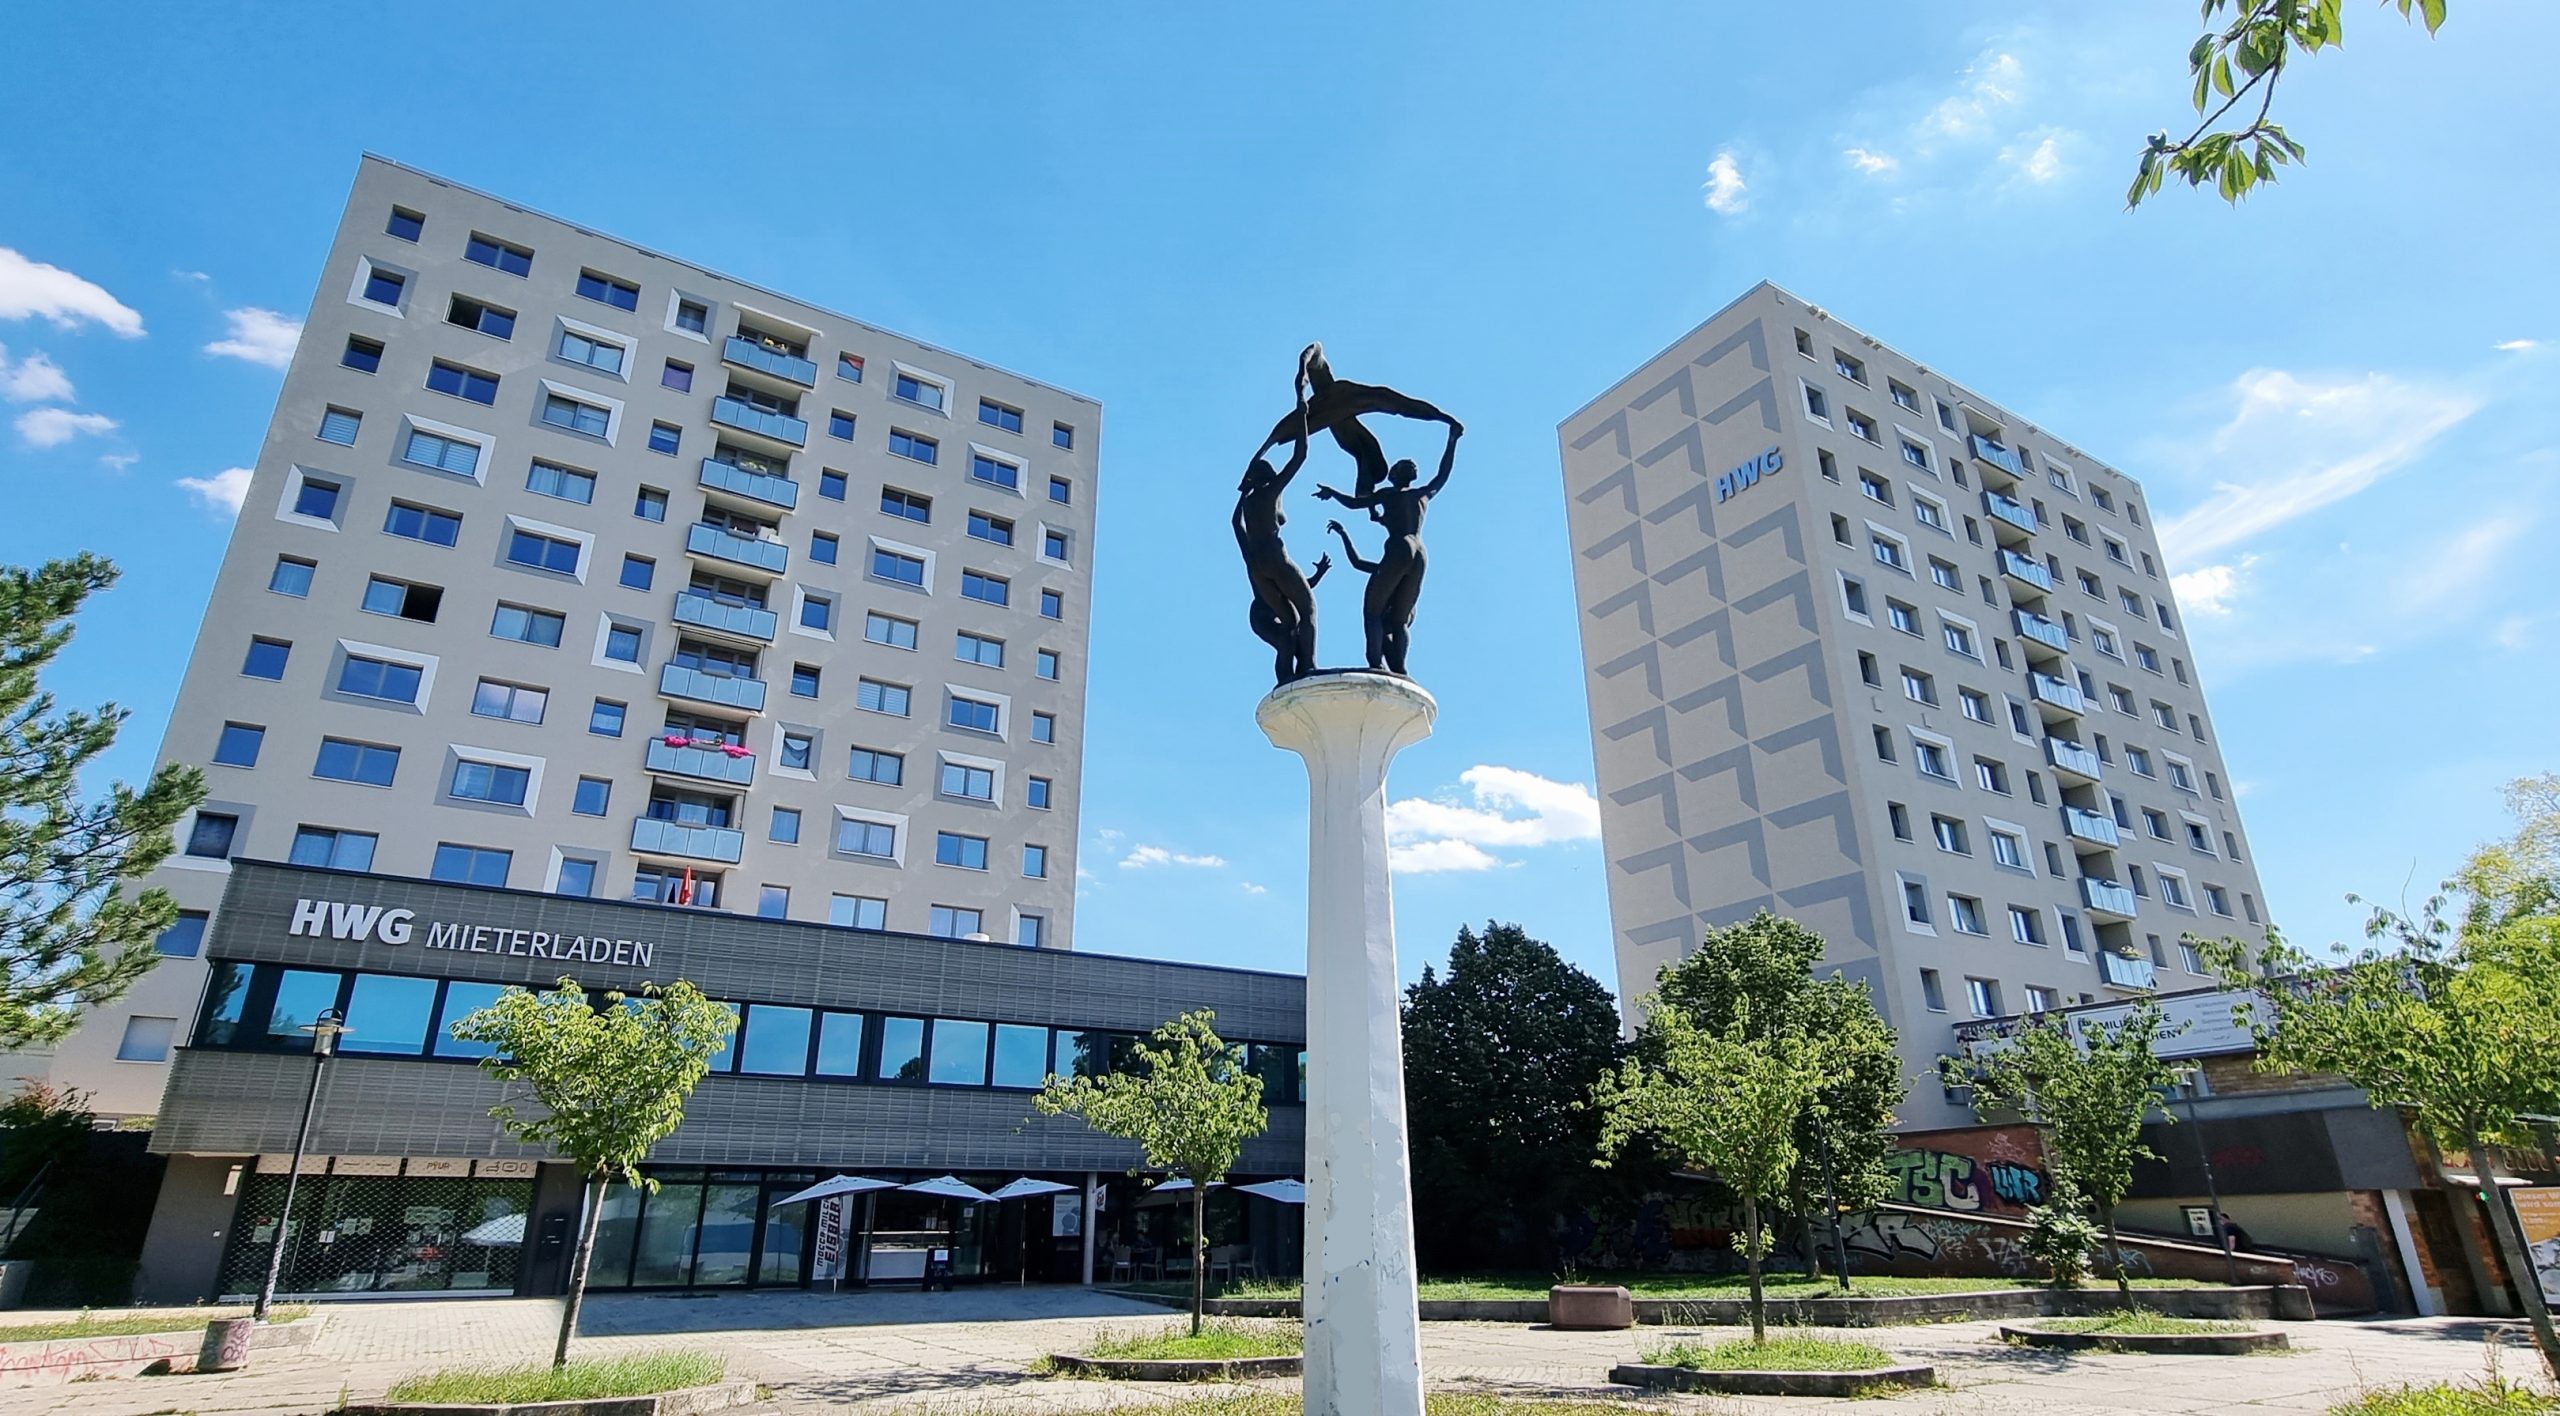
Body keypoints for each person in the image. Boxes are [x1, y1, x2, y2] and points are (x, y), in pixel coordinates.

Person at [1318, 420, 1460, 677]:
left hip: (1399, 548)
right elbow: (1443, 475)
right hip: (1420, 553)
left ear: (1394, 475)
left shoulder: (1388, 495)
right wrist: (1452, 441)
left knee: (1372, 611)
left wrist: (1332, 493)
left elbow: (1353, 503)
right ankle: (1401, 667)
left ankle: (1375, 663)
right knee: (1400, 620)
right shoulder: (1422, 495)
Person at [1256, 343, 1458, 502]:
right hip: (1338, 418)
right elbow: (1282, 430)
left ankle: (1367, 479)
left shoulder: (1343, 398)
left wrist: (1444, 419)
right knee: (1377, 420)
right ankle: (1367, 480)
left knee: (1386, 408)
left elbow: (1400, 404)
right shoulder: (1328, 412)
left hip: (1342, 414)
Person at [1233, 387, 1329, 683]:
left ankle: (1287, 679)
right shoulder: (1270, 492)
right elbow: (1300, 456)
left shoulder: (1250, 502)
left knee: (1289, 624)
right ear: (1268, 477)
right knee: (1308, 609)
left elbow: (1236, 525)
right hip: (1275, 556)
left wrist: (1242, 493)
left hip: (1258, 566)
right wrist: (1302, 415)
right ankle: (1309, 666)